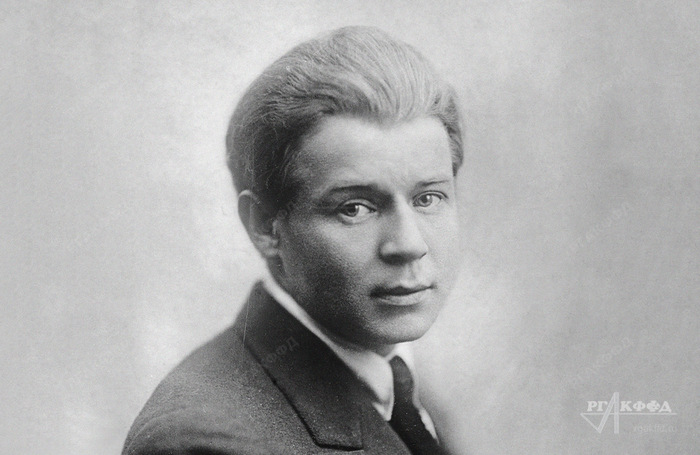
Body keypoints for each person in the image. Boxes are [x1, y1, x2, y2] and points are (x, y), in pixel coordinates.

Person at [123, 25, 463, 455]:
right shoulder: (203, 442)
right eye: (355, 208)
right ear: (266, 227)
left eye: (428, 198)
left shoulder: (397, 377)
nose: (409, 244)